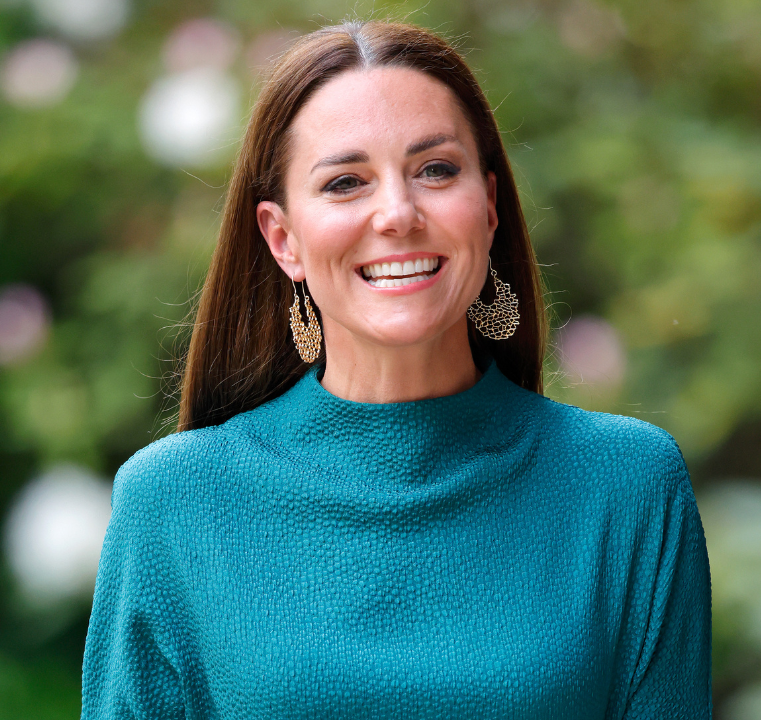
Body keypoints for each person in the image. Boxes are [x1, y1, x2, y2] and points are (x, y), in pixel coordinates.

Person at [81, 19, 711, 720]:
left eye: (436, 170)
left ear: (490, 207)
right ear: (282, 239)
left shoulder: (626, 487)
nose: (398, 213)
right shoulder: (174, 503)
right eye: (346, 182)